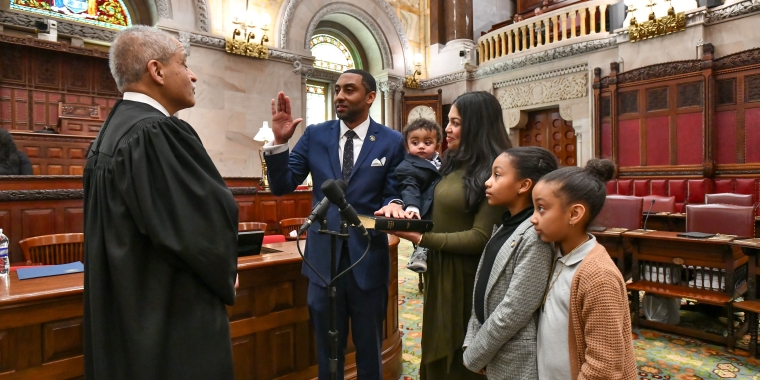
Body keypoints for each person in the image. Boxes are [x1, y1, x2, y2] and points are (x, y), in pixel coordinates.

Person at [83, 26, 239, 380]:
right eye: (185, 63)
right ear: (156, 71)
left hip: (127, 310)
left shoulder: (112, 132)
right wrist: (226, 271)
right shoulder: (155, 133)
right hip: (170, 318)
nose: (193, 74)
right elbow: (201, 227)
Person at [264, 69, 406, 380]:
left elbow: (396, 191)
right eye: (337, 89)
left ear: (370, 97)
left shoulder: (392, 141)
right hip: (322, 261)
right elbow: (283, 185)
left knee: (370, 346)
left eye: (349, 90)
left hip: (367, 258)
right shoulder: (316, 134)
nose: (339, 96)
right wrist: (279, 142)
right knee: (328, 349)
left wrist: (396, 204)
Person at [392, 91, 511, 379]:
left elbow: (481, 237)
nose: (447, 129)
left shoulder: (497, 169)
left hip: (469, 276)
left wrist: (420, 238)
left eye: (455, 122)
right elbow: (424, 199)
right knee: (436, 347)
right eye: (448, 122)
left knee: (460, 356)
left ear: (477, 125)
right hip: (442, 267)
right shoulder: (453, 162)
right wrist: (399, 208)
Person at [530, 158, 637, 380]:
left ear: (574, 214)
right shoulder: (553, 253)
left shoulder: (598, 276)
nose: (533, 218)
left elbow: (604, 365)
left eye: (541, 208)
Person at [462, 147, 558, 379]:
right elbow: (482, 290)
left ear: (523, 185)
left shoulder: (534, 235)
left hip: (515, 354)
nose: (487, 182)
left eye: (497, 175)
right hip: (493, 347)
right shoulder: (506, 225)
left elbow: (514, 310)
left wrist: (476, 353)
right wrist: (472, 341)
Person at [395, 118, 443, 273]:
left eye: (427, 143)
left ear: (437, 145)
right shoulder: (406, 167)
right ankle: (419, 254)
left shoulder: (441, 162)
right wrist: (412, 206)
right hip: (423, 207)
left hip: (440, 205)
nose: (421, 146)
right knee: (424, 232)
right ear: (407, 146)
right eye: (415, 143)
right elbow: (410, 187)